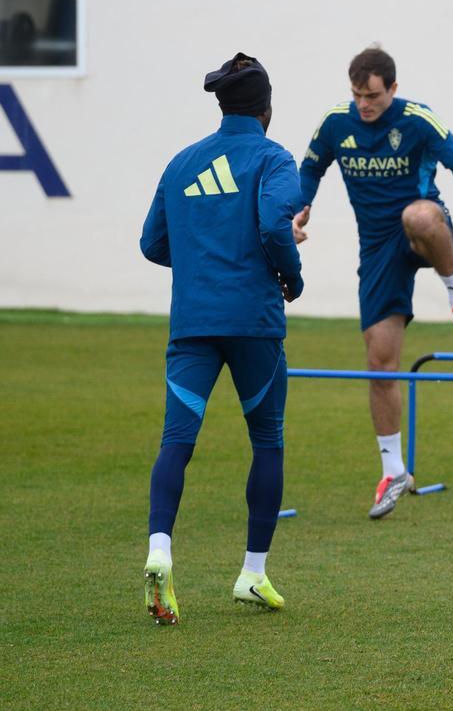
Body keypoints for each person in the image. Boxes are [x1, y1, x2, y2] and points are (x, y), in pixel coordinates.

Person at [294, 47, 453, 519]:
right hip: (377, 250)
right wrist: (299, 209)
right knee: (379, 361)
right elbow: (310, 169)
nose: (363, 104)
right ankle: (394, 471)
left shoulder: (417, 120)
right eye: (356, 95)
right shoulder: (334, 124)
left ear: (392, 87)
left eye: (372, 96)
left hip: (423, 228)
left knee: (419, 215)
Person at [139, 52, 304, 624]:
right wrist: (292, 277)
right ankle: (252, 574)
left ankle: (160, 549)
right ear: (266, 107)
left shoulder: (182, 162)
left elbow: (152, 244)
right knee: (267, 441)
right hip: (253, 324)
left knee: (176, 441)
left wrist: (203, 257)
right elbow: (274, 225)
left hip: (192, 323)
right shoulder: (274, 157)